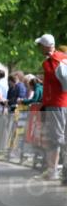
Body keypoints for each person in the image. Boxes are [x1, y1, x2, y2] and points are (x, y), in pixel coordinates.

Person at [34, 33, 67, 180]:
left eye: (40, 45)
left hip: (56, 104)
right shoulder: (62, 58)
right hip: (62, 102)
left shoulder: (52, 62)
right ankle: (60, 171)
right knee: (60, 137)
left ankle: (52, 171)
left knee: (56, 138)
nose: (39, 47)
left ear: (45, 46)